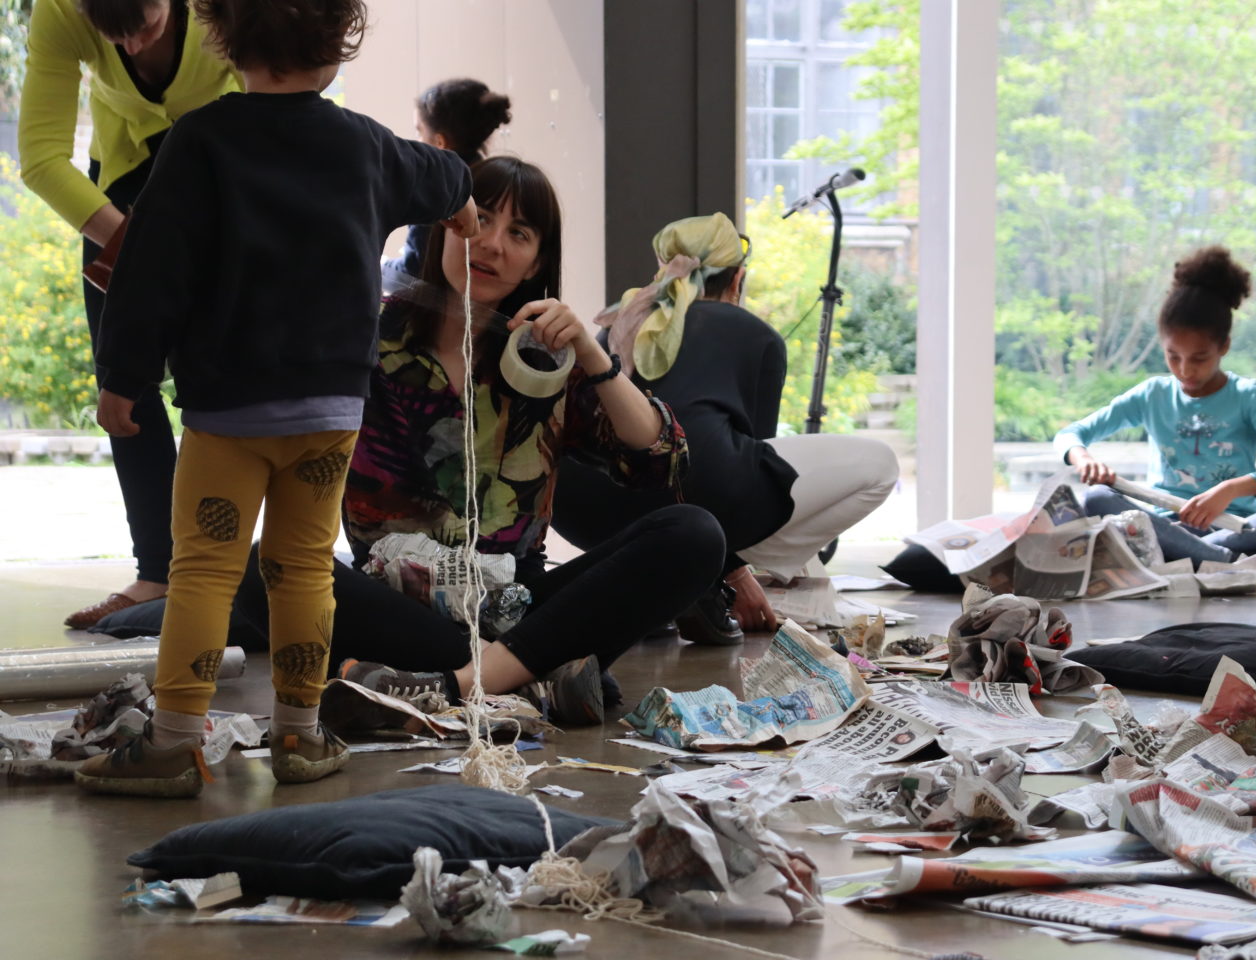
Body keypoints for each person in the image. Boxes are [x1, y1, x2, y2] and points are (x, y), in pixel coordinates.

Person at [75, 0, 478, 798]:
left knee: (202, 572)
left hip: (229, 414)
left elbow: (151, 271)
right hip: (328, 415)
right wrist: (460, 200)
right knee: (303, 574)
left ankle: (174, 743)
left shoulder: (201, 143)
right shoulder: (364, 146)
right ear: (339, 44)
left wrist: (124, 376)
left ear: (224, 42)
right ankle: (298, 735)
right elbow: (444, 175)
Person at [327, 157, 726, 722]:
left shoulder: (547, 357)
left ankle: (456, 687)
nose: (490, 244)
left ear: (538, 260)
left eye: (519, 233)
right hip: (392, 606)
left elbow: (664, 460)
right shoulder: (369, 332)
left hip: (518, 607)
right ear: (446, 225)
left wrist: (594, 355)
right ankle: (535, 680)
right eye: (480, 218)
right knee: (265, 566)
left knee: (694, 535)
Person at [552, 213, 899, 639]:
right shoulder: (757, 335)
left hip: (581, 513)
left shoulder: (618, 326)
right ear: (737, 280)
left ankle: (664, 586)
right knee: (880, 466)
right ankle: (710, 581)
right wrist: (734, 572)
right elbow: (757, 460)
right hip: (689, 500)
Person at [19, 0, 242, 629]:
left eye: (145, 24)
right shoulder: (59, 10)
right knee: (125, 390)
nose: (137, 47)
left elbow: (282, 84)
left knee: (232, 382)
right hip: (118, 191)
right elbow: (40, 158)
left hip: (225, 178)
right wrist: (134, 251)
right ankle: (157, 571)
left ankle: (237, 572)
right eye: (114, 35)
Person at [1056, 247, 1256, 567]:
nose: (1185, 370)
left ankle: (1205, 557)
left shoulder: (1248, 396)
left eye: (1199, 358)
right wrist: (1083, 457)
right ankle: (1221, 561)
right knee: (1097, 498)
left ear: (1224, 346)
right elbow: (1070, 434)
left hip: (1236, 527)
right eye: (1173, 356)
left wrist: (1229, 491)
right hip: (1166, 528)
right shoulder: (1152, 395)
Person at [384, 77, 512, 282]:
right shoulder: (495, 181)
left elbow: (413, 269)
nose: (417, 141)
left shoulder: (435, 188)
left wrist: (383, 265)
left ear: (439, 142)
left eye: (419, 131)